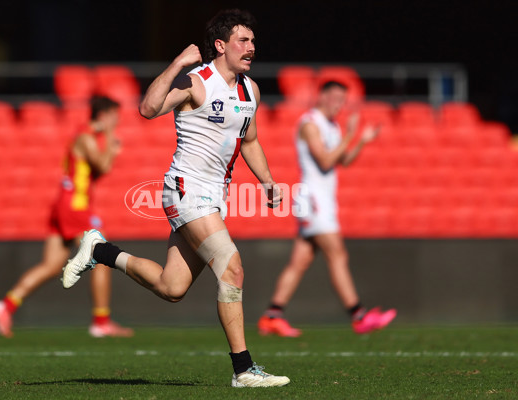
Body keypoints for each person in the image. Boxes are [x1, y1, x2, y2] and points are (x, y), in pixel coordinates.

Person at [62, 9, 289, 388]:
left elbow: (248, 141)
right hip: (186, 190)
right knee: (232, 268)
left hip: (213, 195)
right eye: (242, 41)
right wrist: (178, 62)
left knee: (172, 288)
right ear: (220, 45)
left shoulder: (251, 90)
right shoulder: (195, 80)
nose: (251, 47)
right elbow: (148, 109)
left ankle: (100, 251)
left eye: (252, 40)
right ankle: (244, 370)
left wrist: (267, 181)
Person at [258, 81, 397, 337]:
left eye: (342, 100)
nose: (338, 104)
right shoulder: (310, 123)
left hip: (320, 200)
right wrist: (348, 136)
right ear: (321, 96)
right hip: (313, 199)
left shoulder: (331, 125)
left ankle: (272, 316)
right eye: (334, 97)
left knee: (299, 262)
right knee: (338, 255)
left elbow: (342, 160)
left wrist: (361, 141)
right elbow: (324, 160)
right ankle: (359, 315)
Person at [0, 96, 133, 339]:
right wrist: (111, 141)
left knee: (51, 266)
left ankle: (6, 306)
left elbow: (91, 174)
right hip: (75, 206)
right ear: (104, 115)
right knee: (102, 254)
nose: (117, 122)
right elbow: (104, 166)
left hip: (64, 205)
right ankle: (101, 321)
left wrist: (109, 147)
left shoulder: (83, 136)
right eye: (115, 117)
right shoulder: (87, 138)